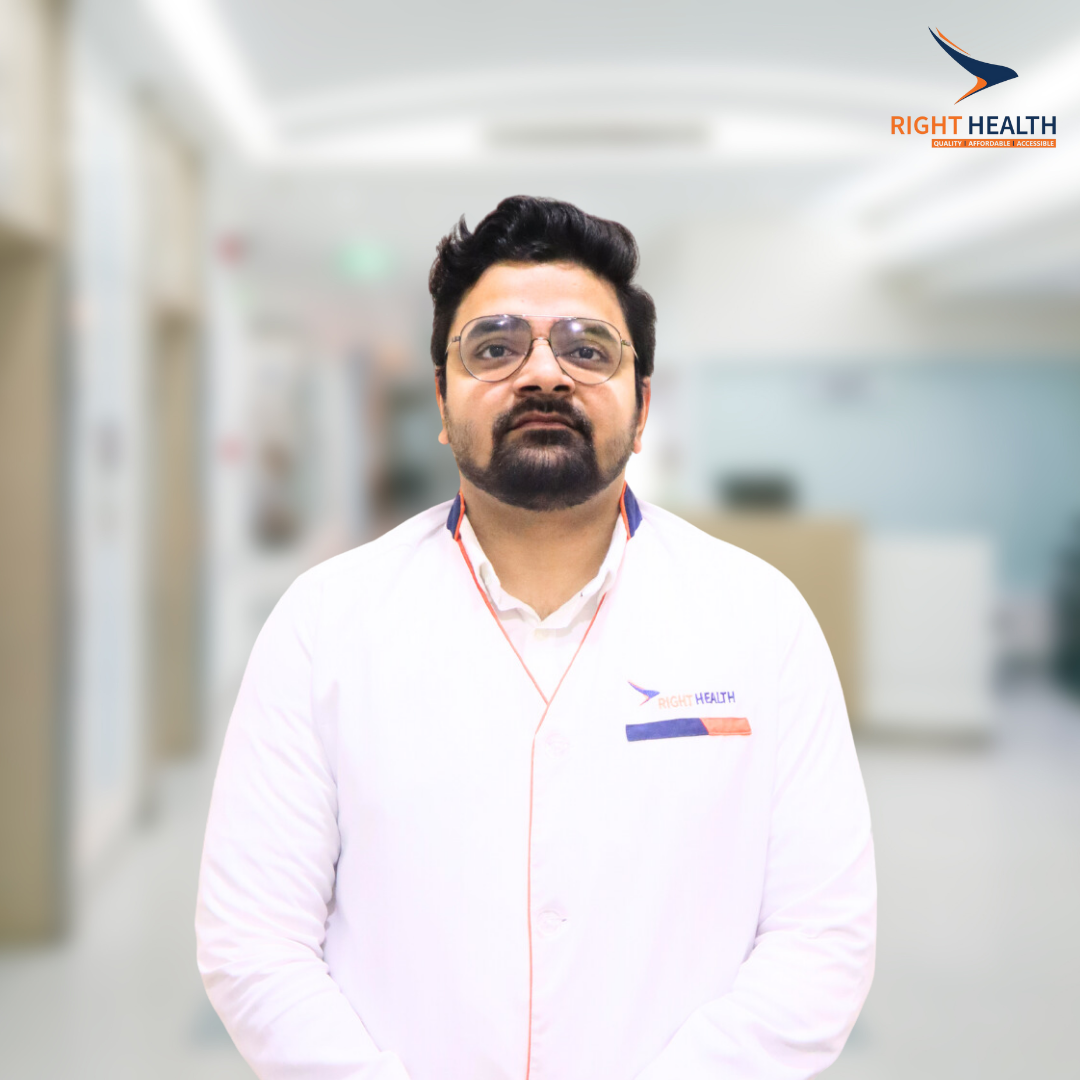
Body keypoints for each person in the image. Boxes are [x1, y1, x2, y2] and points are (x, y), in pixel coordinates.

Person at [196, 196, 876, 1080]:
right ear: (441, 399)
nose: (544, 374)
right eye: (495, 348)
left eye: (588, 349)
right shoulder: (323, 624)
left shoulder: (762, 620)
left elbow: (821, 943)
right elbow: (255, 942)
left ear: (642, 406)